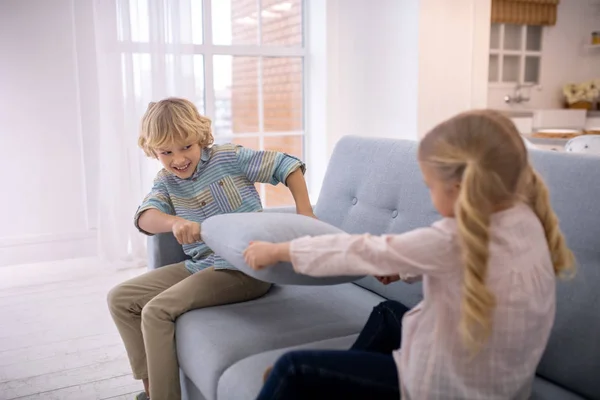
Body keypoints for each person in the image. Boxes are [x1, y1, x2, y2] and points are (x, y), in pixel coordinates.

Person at [243, 109, 575, 400]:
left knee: (292, 368)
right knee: (390, 312)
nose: (431, 199)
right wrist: (403, 268)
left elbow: (360, 250)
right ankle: (338, 386)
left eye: (431, 187)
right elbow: (463, 267)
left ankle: (311, 384)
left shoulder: (455, 237)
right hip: (499, 381)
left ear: (461, 188)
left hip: (450, 390)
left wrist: (277, 251)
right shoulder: (525, 217)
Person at [107, 97, 314, 400]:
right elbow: (146, 217)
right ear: (154, 151)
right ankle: (152, 391)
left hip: (243, 266)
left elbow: (286, 166)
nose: (178, 159)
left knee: (156, 311)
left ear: (200, 137)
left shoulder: (229, 158)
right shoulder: (165, 181)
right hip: (202, 266)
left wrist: (305, 214)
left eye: (186, 147)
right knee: (120, 299)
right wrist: (174, 222)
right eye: (166, 152)